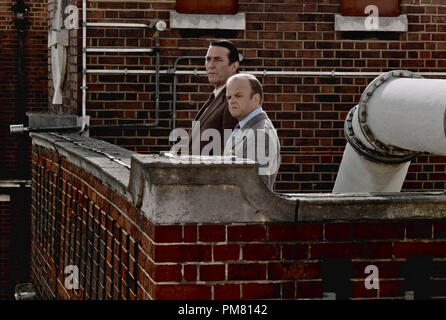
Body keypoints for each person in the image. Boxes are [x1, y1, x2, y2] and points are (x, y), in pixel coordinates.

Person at [223, 74, 281, 190]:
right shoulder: (245, 127)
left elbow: (257, 191)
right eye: (229, 97)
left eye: (238, 96)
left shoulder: (259, 135)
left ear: (256, 99)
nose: (232, 101)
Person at [190, 40, 240, 155]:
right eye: (208, 59)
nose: (211, 65)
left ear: (234, 66)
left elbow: (227, 155)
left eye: (218, 60)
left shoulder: (232, 101)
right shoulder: (217, 95)